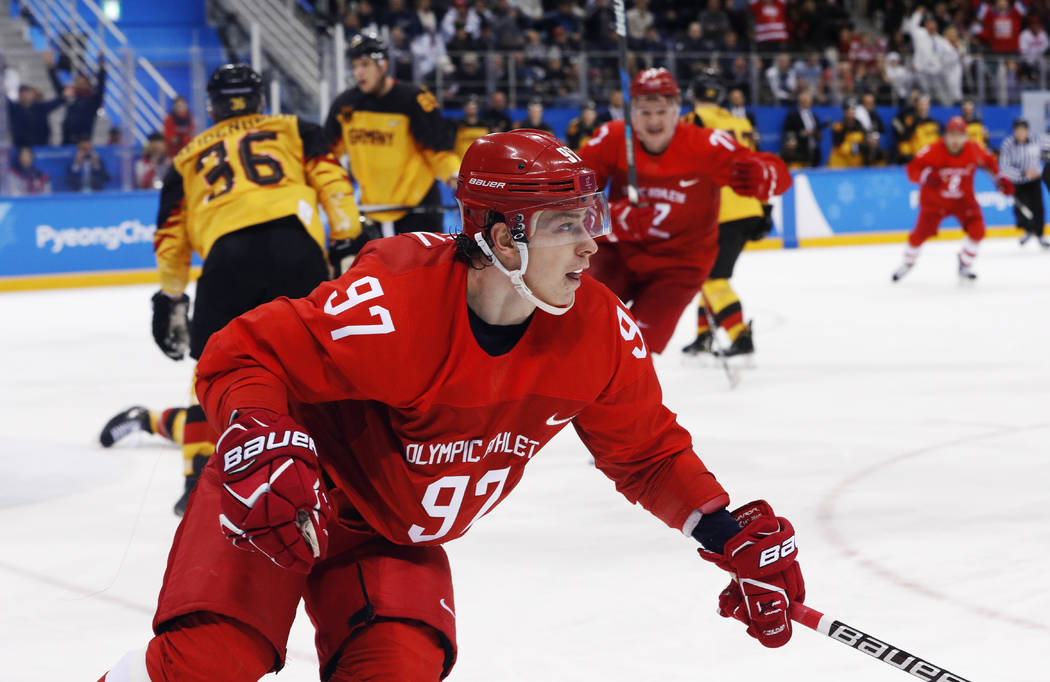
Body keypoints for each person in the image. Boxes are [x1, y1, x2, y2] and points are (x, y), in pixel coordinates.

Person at [98, 127, 806, 682]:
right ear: (503, 239)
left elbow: (647, 454)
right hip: (287, 491)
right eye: (566, 225)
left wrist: (723, 531)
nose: (592, 247)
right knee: (209, 667)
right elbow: (241, 352)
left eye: (589, 219)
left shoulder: (600, 332)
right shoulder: (395, 303)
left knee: (400, 668)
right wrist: (258, 439)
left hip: (389, 535)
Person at [98, 64, 363, 516]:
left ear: (211, 106)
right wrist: (346, 243)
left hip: (226, 259)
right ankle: (344, 470)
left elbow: (170, 238)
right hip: (294, 247)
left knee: (213, 377)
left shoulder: (185, 159)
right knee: (319, 364)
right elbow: (334, 185)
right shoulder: (296, 128)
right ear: (261, 101)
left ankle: (196, 478)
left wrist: (172, 296)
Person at [579, 68, 790, 355]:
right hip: (618, 252)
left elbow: (778, 175)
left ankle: (621, 397)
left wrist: (764, 175)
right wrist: (612, 217)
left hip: (679, 267)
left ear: (677, 110)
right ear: (630, 113)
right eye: (644, 111)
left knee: (634, 352)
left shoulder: (704, 144)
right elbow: (570, 196)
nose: (653, 120)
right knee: (573, 321)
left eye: (661, 111)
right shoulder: (611, 138)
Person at [325, 33, 458, 238]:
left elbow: (440, 149)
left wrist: (456, 178)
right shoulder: (345, 104)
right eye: (355, 65)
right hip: (372, 211)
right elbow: (327, 153)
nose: (358, 72)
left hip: (417, 210)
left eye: (365, 64)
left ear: (383, 64)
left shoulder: (414, 99)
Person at [680, 72, 772, 359]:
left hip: (721, 211)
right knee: (706, 274)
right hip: (748, 206)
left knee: (714, 279)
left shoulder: (693, 120)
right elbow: (756, 166)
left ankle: (740, 336)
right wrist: (765, 208)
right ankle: (704, 336)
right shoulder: (740, 122)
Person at [891, 116, 1014, 282]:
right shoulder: (933, 150)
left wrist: (1000, 179)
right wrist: (927, 176)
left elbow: (990, 163)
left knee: (978, 230)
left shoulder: (974, 149)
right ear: (946, 135)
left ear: (965, 136)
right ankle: (908, 263)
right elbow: (911, 170)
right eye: (951, 135)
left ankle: (965, 263)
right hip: (934, 202)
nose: (955, 140)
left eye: (959, 135)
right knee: (919, 235)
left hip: (963, 201)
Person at [998, 118, 1047, 247]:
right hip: (1017, 182)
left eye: (1023, 130)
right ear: (1014, 131)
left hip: (1034, 181)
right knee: (1020, 209)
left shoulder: (1037, 140)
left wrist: (1039, 170)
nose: (1020, 133)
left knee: (1038, 208)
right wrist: (1023, 173)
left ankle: (1040, 235)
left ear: (1027, 130)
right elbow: (1004, 166)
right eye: (1018, 130)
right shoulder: (1008, 144)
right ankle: (1028, 230)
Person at [48, 55, 106, 145]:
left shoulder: (93, 99)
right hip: (67, 138)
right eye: (77, 83)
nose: (80, 85)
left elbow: (101, 87)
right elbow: (58, 87)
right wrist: (50, 68)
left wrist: (102, 69)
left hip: (84, 140)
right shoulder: (71, 96)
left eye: (83, 83)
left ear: (88, 85)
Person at [781, 89, 822, 167]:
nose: (807, 102)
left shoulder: (814, 116)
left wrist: (817, 134)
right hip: (800, 150)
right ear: (800, 101)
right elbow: (789, 133)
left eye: (808, 100)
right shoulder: (793, 116)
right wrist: (803, 133)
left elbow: (818, 131)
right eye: (804, 100)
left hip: (814, 149)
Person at [893, 93, 939, 164]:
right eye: (921, 104)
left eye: (925, 104)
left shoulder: (935, 123)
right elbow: (904, 140)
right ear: (916, 106)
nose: (923, 107)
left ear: (929, 106)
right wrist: (908, 155)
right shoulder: (911, 122)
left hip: (933, 158)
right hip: (915, 158)